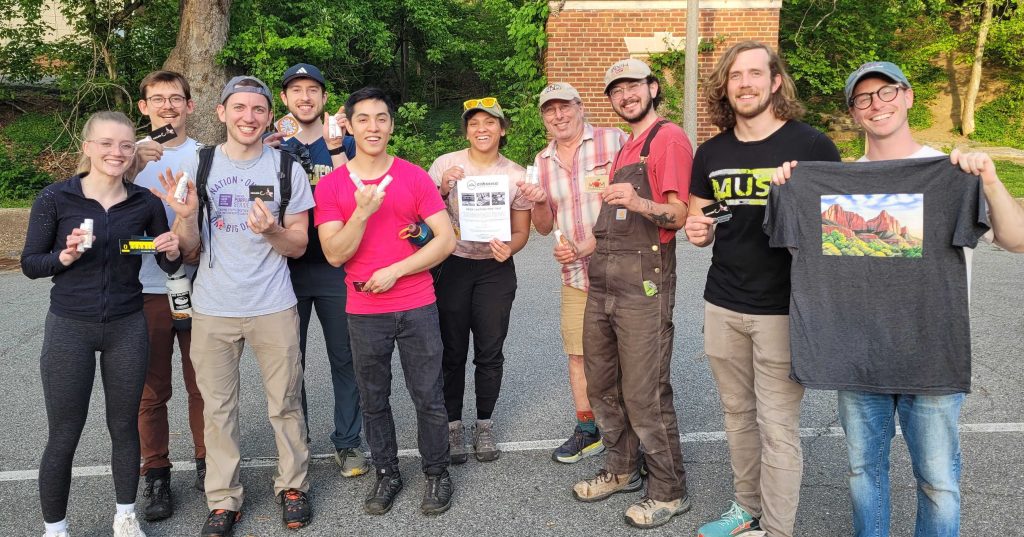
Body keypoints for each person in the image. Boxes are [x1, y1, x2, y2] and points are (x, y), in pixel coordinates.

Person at [770, 61, 1024, 537]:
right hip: (856, 357)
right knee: (863, 472)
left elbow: (1017, 240)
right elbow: (794, 248)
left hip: (931, 356)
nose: (876, 104)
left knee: (938, 481)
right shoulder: (830, 184)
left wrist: (989, 179)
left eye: (886, 92)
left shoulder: (952, 171)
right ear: (853, 112)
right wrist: (789, 186)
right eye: (863, 98)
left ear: (907, 97)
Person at [682, 42, 841, 537]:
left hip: (784, 309)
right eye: (735, 75)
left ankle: (777, 529)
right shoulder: (711, 152)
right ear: (725, 87)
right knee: (737, 416)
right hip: (723, 304)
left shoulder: (812, 146)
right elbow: (700, 217)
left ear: (775, 82)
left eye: (755, 73)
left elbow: (838, 230)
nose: (745, 83)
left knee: (777, 428)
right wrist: (697, 230)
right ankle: (746, 508)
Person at [155, 76, 315, 535]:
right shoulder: (200, 165)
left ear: (269, 116)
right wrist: (186, 217)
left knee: (285, 403)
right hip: (213, 306)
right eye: (239, 108)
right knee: (218, 408)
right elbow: (189, 250)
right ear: (221, 113)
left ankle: (293, 486)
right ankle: (223, 499)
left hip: (273, 304)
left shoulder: (287, 168)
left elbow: (299, 245)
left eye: (258, 109)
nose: (249, 117)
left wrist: (272, 231)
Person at [22, 110, 182, 537]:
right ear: (88, 147)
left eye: (126, 145)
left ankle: (125, 515)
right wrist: (63, 257)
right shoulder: (56, 198)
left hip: (127, 325)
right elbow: (31, 263)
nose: (117, 152)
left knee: (123, 425)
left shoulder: (145, 202)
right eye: (107, 143)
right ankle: (55, 528)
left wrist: (171, 249)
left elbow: (169, 264)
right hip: (70, 326)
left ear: (134, 152)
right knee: (64, 432)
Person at [315, 87, 457, 516]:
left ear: (392, 125)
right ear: (349, 126)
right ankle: (387, 472)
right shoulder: (333, 185)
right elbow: (334, 254)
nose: (373, 127)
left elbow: (446, 239)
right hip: (364, 311)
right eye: (363, 119)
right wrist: (361, 212)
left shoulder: (413, 177)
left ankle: (436, 473)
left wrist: (397, 270)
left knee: (428, 396)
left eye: (381, 118)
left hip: (417, 304)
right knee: (373, 399)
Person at [569, 58, 692, 529]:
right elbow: (614, 222)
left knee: (644, 392)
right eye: (616, 90)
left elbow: (678, 215)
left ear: (653, 88)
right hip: (603, 278)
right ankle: (621, 468)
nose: (625, 96)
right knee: (602, 383)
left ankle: (669, 490)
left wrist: (639, 201)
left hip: (644, 280)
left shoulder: (668, 139)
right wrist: (580, 248)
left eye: (633, 86)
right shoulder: (625, 148)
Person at [516, 82, 627, 464]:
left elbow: (629, 204)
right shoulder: (542, 161)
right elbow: (544, 226)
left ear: (580, 108)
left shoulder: (614, 141)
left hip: (622, 270)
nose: (558, 115)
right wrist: (539, 202)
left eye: (565, 107)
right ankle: (588, 429)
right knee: (578, 355)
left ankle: (632, 432)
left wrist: (587, 246)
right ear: (543, 118)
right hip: (576, 277)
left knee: (627, 356)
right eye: (550, 110)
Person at [427, 97, 532, 464]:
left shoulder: (516, 175)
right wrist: (442, 189)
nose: (481, 129)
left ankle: (484, 424)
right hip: (452, 265)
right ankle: (452, 426)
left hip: (494, 269)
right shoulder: (445, 165)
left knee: (489, 350)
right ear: (466, 131)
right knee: (451, 351)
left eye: (490, 122)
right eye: (474, 123)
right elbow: (421, 217)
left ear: (502, 129)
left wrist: (510, 248)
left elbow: (522, 231)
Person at [275, 62, 367, 478]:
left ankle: (348, 442)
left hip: (336, 267)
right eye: (296, 90)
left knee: (345, 358)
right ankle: (298, 443)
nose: (305, 97)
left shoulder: (347, 144)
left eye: (313, 89)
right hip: (284, 270)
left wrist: (336, 149)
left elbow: (362, 195)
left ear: (325, 98)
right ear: (284, 99)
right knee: (290, 363)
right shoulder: (272, 144)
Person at [130, 70, 206, 522]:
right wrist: (131, 162)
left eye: (176, 98)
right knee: (151, 391)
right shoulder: (126, 154)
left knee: (205, 386)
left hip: (200, 286)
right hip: (144, 290)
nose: (167, 106)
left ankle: (208, 463)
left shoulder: (205, 156)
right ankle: (156, 472)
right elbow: (88, 197)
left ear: (190, 106)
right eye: (157, 99)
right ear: (144, 107)